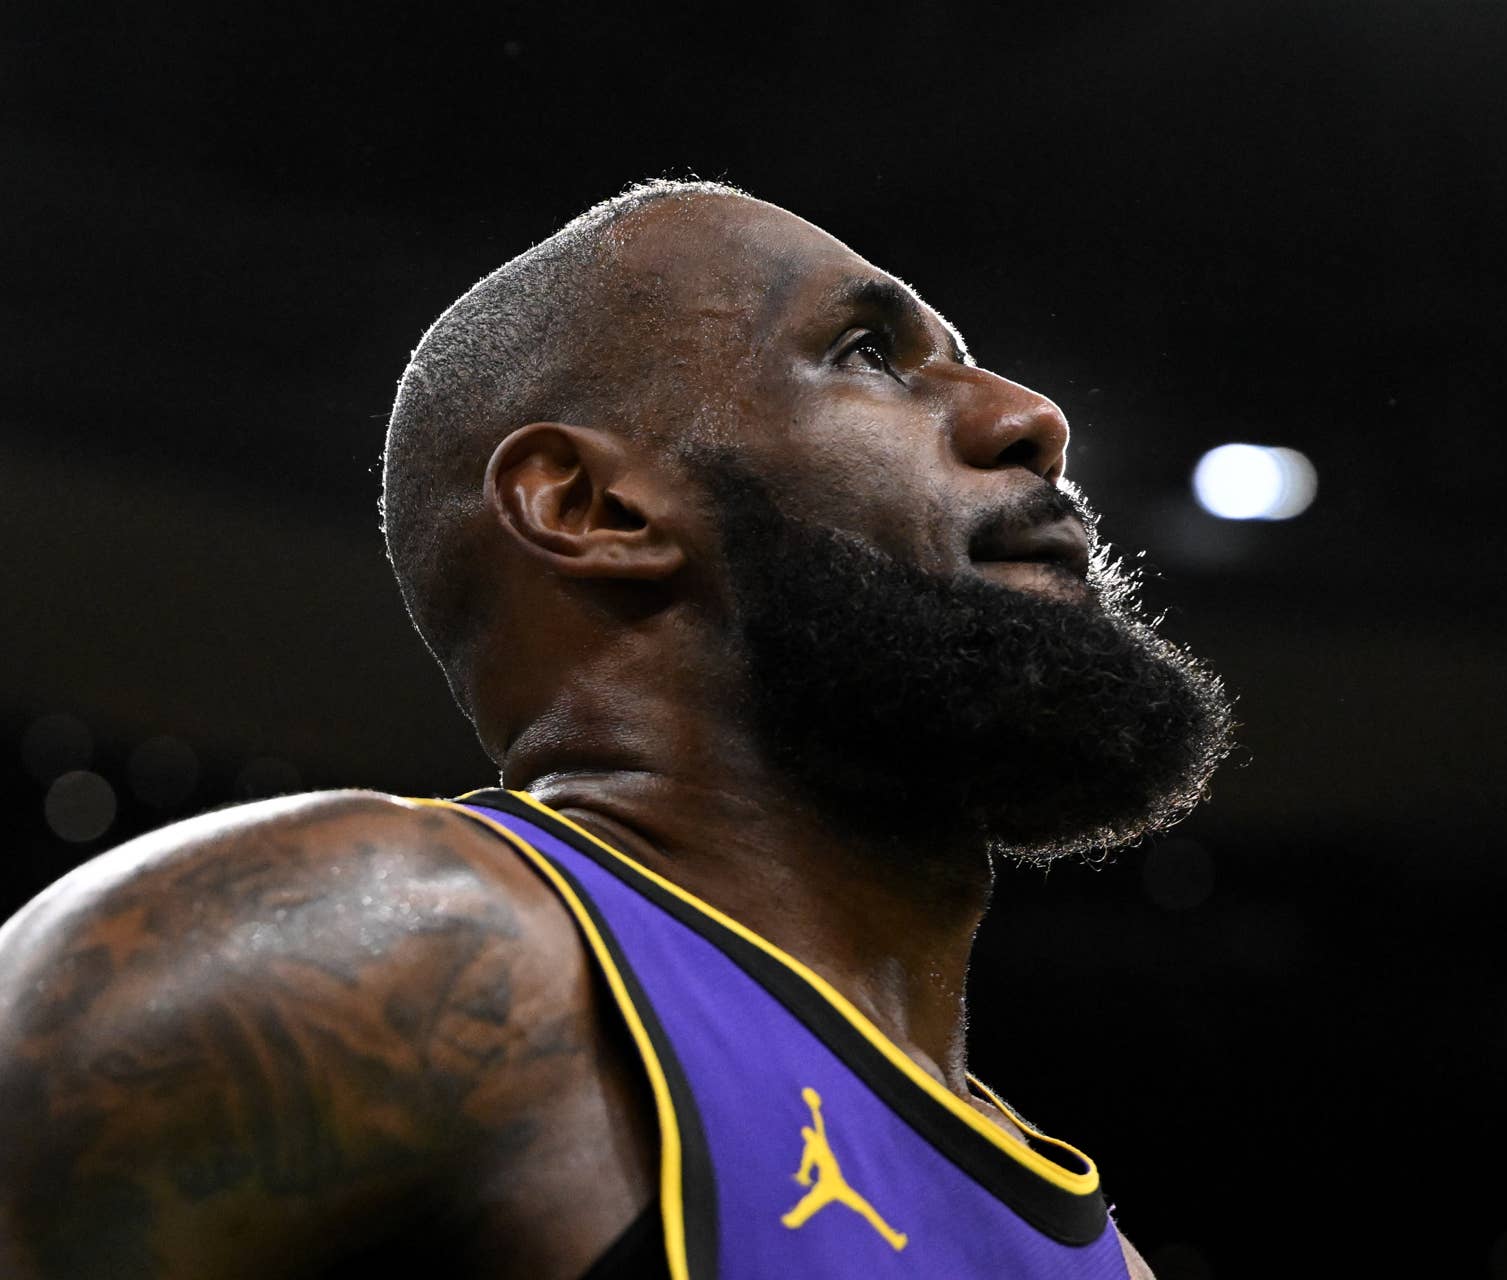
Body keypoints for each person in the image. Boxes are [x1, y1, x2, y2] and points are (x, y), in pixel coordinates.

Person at [0, 181, 1234, 1279]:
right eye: (868, 353)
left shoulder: (1101, 1255)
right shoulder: (384, 946)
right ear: (592, 505)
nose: (1029, 414)